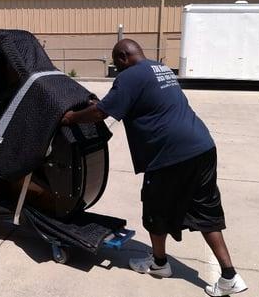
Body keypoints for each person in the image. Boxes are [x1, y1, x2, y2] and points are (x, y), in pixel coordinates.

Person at [61, 39, 247, 296]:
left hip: (170, 155)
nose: (118, 69)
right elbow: (127, 101)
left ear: (124, 57)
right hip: (202, 146)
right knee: (206, 210)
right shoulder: (161, 69)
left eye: (118, 64)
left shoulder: (129, 76)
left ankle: (160, 264)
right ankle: (229, 276)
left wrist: (71, 118)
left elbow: (101, 113)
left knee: (154, 210)